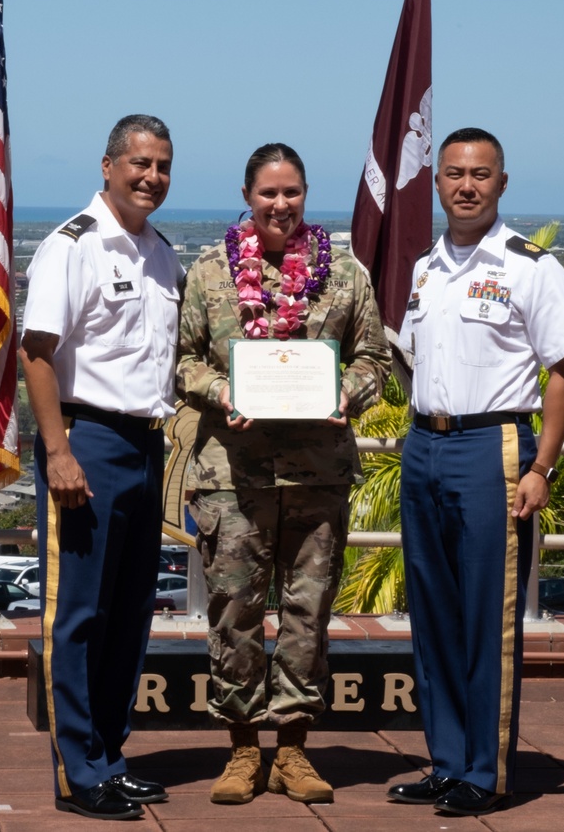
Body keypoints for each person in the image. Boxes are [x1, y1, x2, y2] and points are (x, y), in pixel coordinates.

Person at [177, 142, 390, 806]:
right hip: (231, 476)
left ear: (305, 195)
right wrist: (224, 392)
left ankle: (293, 747)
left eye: (292, 192)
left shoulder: (345, 274)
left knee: (308, 612)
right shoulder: (210, 271)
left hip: (317, 475)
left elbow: (373, 361)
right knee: (235, 611)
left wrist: (343, 393)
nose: (280, 204)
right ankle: (243, 749)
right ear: (247, 195)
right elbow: (182, 361)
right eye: (268, 192)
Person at [386, 127, 564, 817]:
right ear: (436, 183)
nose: (465, 185)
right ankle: (446, 760)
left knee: (487, 615)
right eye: (453, 174)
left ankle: (487, 767)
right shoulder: (425, 267)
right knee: (434, 614)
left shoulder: (532, 265)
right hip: (424, 446)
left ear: (502, 182)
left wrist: (543, 465)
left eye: (480, 174)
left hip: (493, 449)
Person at [20, 114, 184, 821]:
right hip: (86, 442)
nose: (151, 177)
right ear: (108, 165)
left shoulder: (161, 253)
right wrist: (58, 450)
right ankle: (77, 771)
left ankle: (111, 756)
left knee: (128, 615)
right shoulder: (71, 247)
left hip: (146, 444)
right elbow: (36, 352)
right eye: (139, 163)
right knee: (80, 613)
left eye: (163, 166)